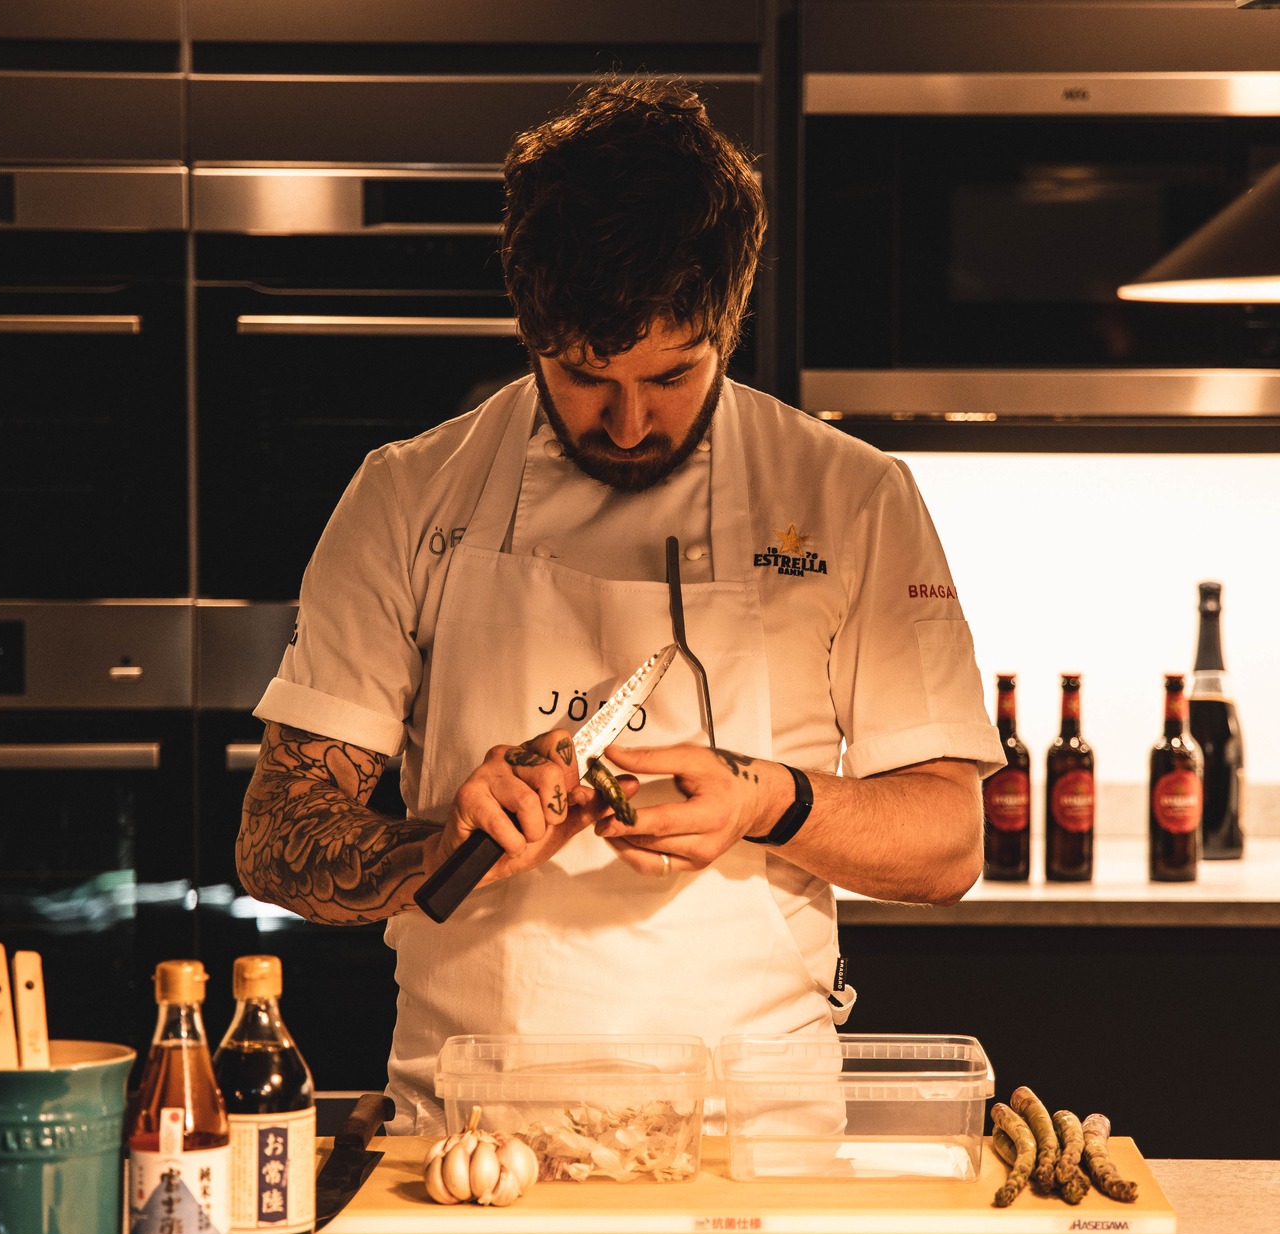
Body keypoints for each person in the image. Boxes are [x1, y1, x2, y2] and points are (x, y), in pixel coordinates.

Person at [236, 77, 1004, 1133]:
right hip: (471, 1136)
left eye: (673, 376)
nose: (631, 422)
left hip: (752, 1138)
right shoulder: (406, 496)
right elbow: (274, 836)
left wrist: (767, 801)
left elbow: (950, 844)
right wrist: (440, 844)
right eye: (586, 375)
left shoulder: (853, 497)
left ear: (728, 324)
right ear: (528, 327)